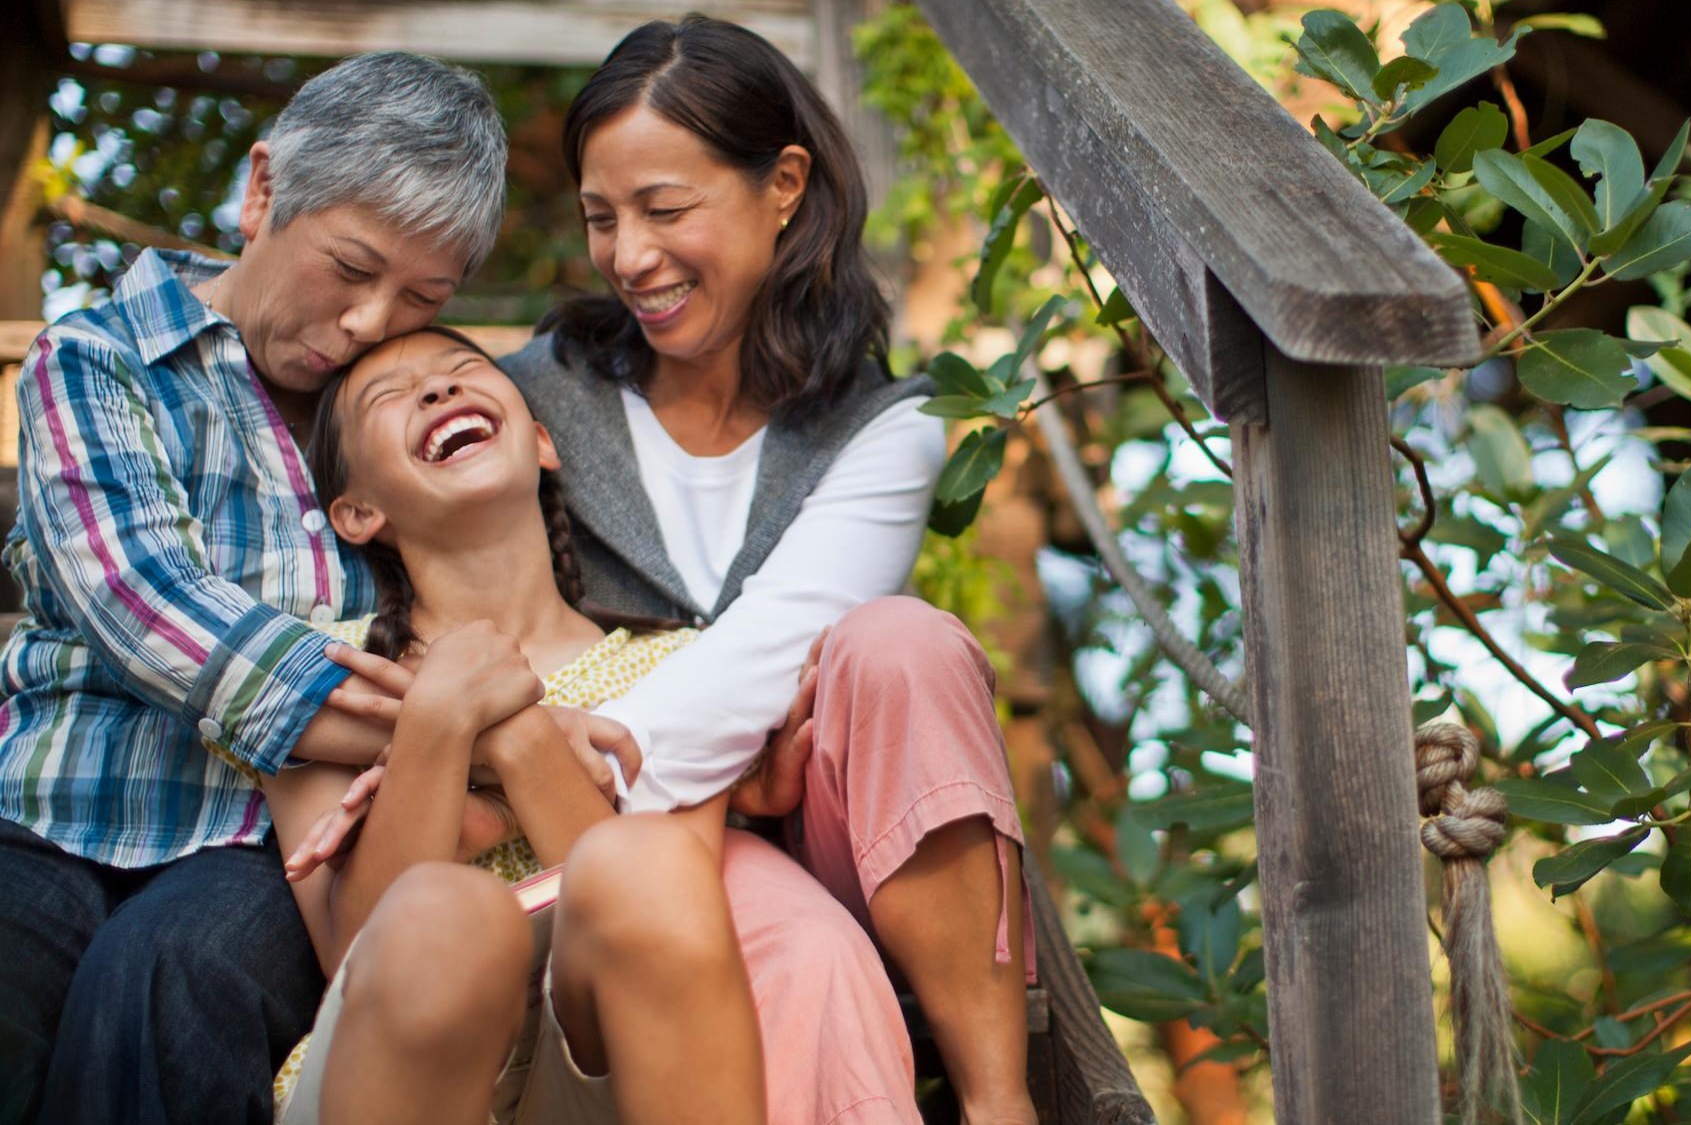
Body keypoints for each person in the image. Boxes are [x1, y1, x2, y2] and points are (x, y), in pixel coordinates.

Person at [504, 17, 1039, 1124]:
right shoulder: (535, 401)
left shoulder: (883, 429)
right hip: (600, 863)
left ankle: (998, 1100)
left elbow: (772, 647)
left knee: (903, 644)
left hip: (828, 838)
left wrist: (548, 743)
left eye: (665, 208)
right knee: (787, 943)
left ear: (783, 183)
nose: (629, 257)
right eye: (603, 219)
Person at [0, 53, 509, 1125]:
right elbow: (146, 602)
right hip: (50, 809)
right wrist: (446, 728)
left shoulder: (387, 428)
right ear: (264, 189)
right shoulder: (102, 360)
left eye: (422, 298)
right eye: (351, 268)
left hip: (266, 841)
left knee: (173, 977)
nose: (373, 322)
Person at [265, 326, 773, 1125]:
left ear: (541, 441)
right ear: (358, 511)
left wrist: (513, 735)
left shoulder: (682, 662)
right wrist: (438, 715)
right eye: (391, 396)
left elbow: (665, 917)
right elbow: (352, 946)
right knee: (448, 914)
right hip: (395, 1066)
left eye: (463, 370)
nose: (437, 390)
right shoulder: (326, 680)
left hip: (604, 1054)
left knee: (646, 857)